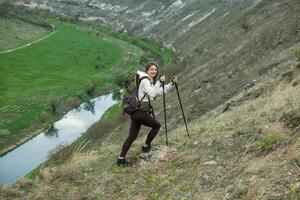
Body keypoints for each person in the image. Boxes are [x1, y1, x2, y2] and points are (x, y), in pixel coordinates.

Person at [117, 62, 177, 166]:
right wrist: (159, 81)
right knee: (156, 126)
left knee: (132, 136)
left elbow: (157, 91)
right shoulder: (145, 80)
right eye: (152, 69)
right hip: (140, 112)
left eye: (155, 69)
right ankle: (146, 146)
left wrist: (170, 84)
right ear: (147, 70)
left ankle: (120, 159)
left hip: (136, 112)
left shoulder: (147, 81)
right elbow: (153, 93)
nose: (154, 71)